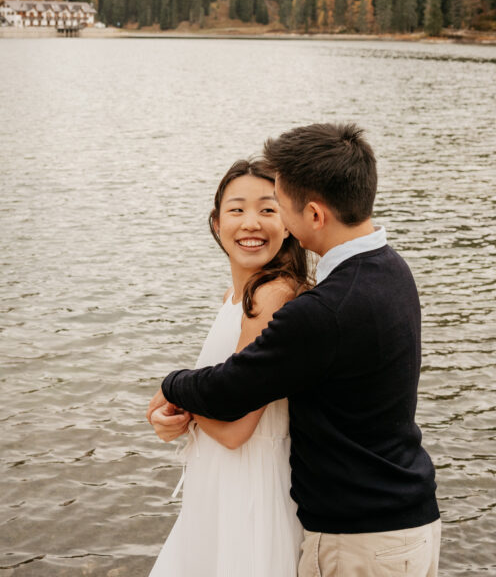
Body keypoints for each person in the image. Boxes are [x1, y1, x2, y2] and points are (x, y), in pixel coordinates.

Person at [147, 123, 441, 577]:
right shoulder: (389, 269)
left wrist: (171, 386)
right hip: (398, 519)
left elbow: (230, 398)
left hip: (359, 536)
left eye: (277, 205)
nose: (266, 219)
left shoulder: (320, 307)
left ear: (314, 215)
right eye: (237, 209)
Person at [148, 158, 311, 577]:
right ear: (217, 223)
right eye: (236, 210)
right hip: (220, 483)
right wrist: (176, 412)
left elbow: (238, 429)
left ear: (290, 223)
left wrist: (177, 400)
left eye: (268, 209)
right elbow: (220, 399)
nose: (251, 223)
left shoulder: (271, 297)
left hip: (250, 489)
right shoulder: (236, 295)